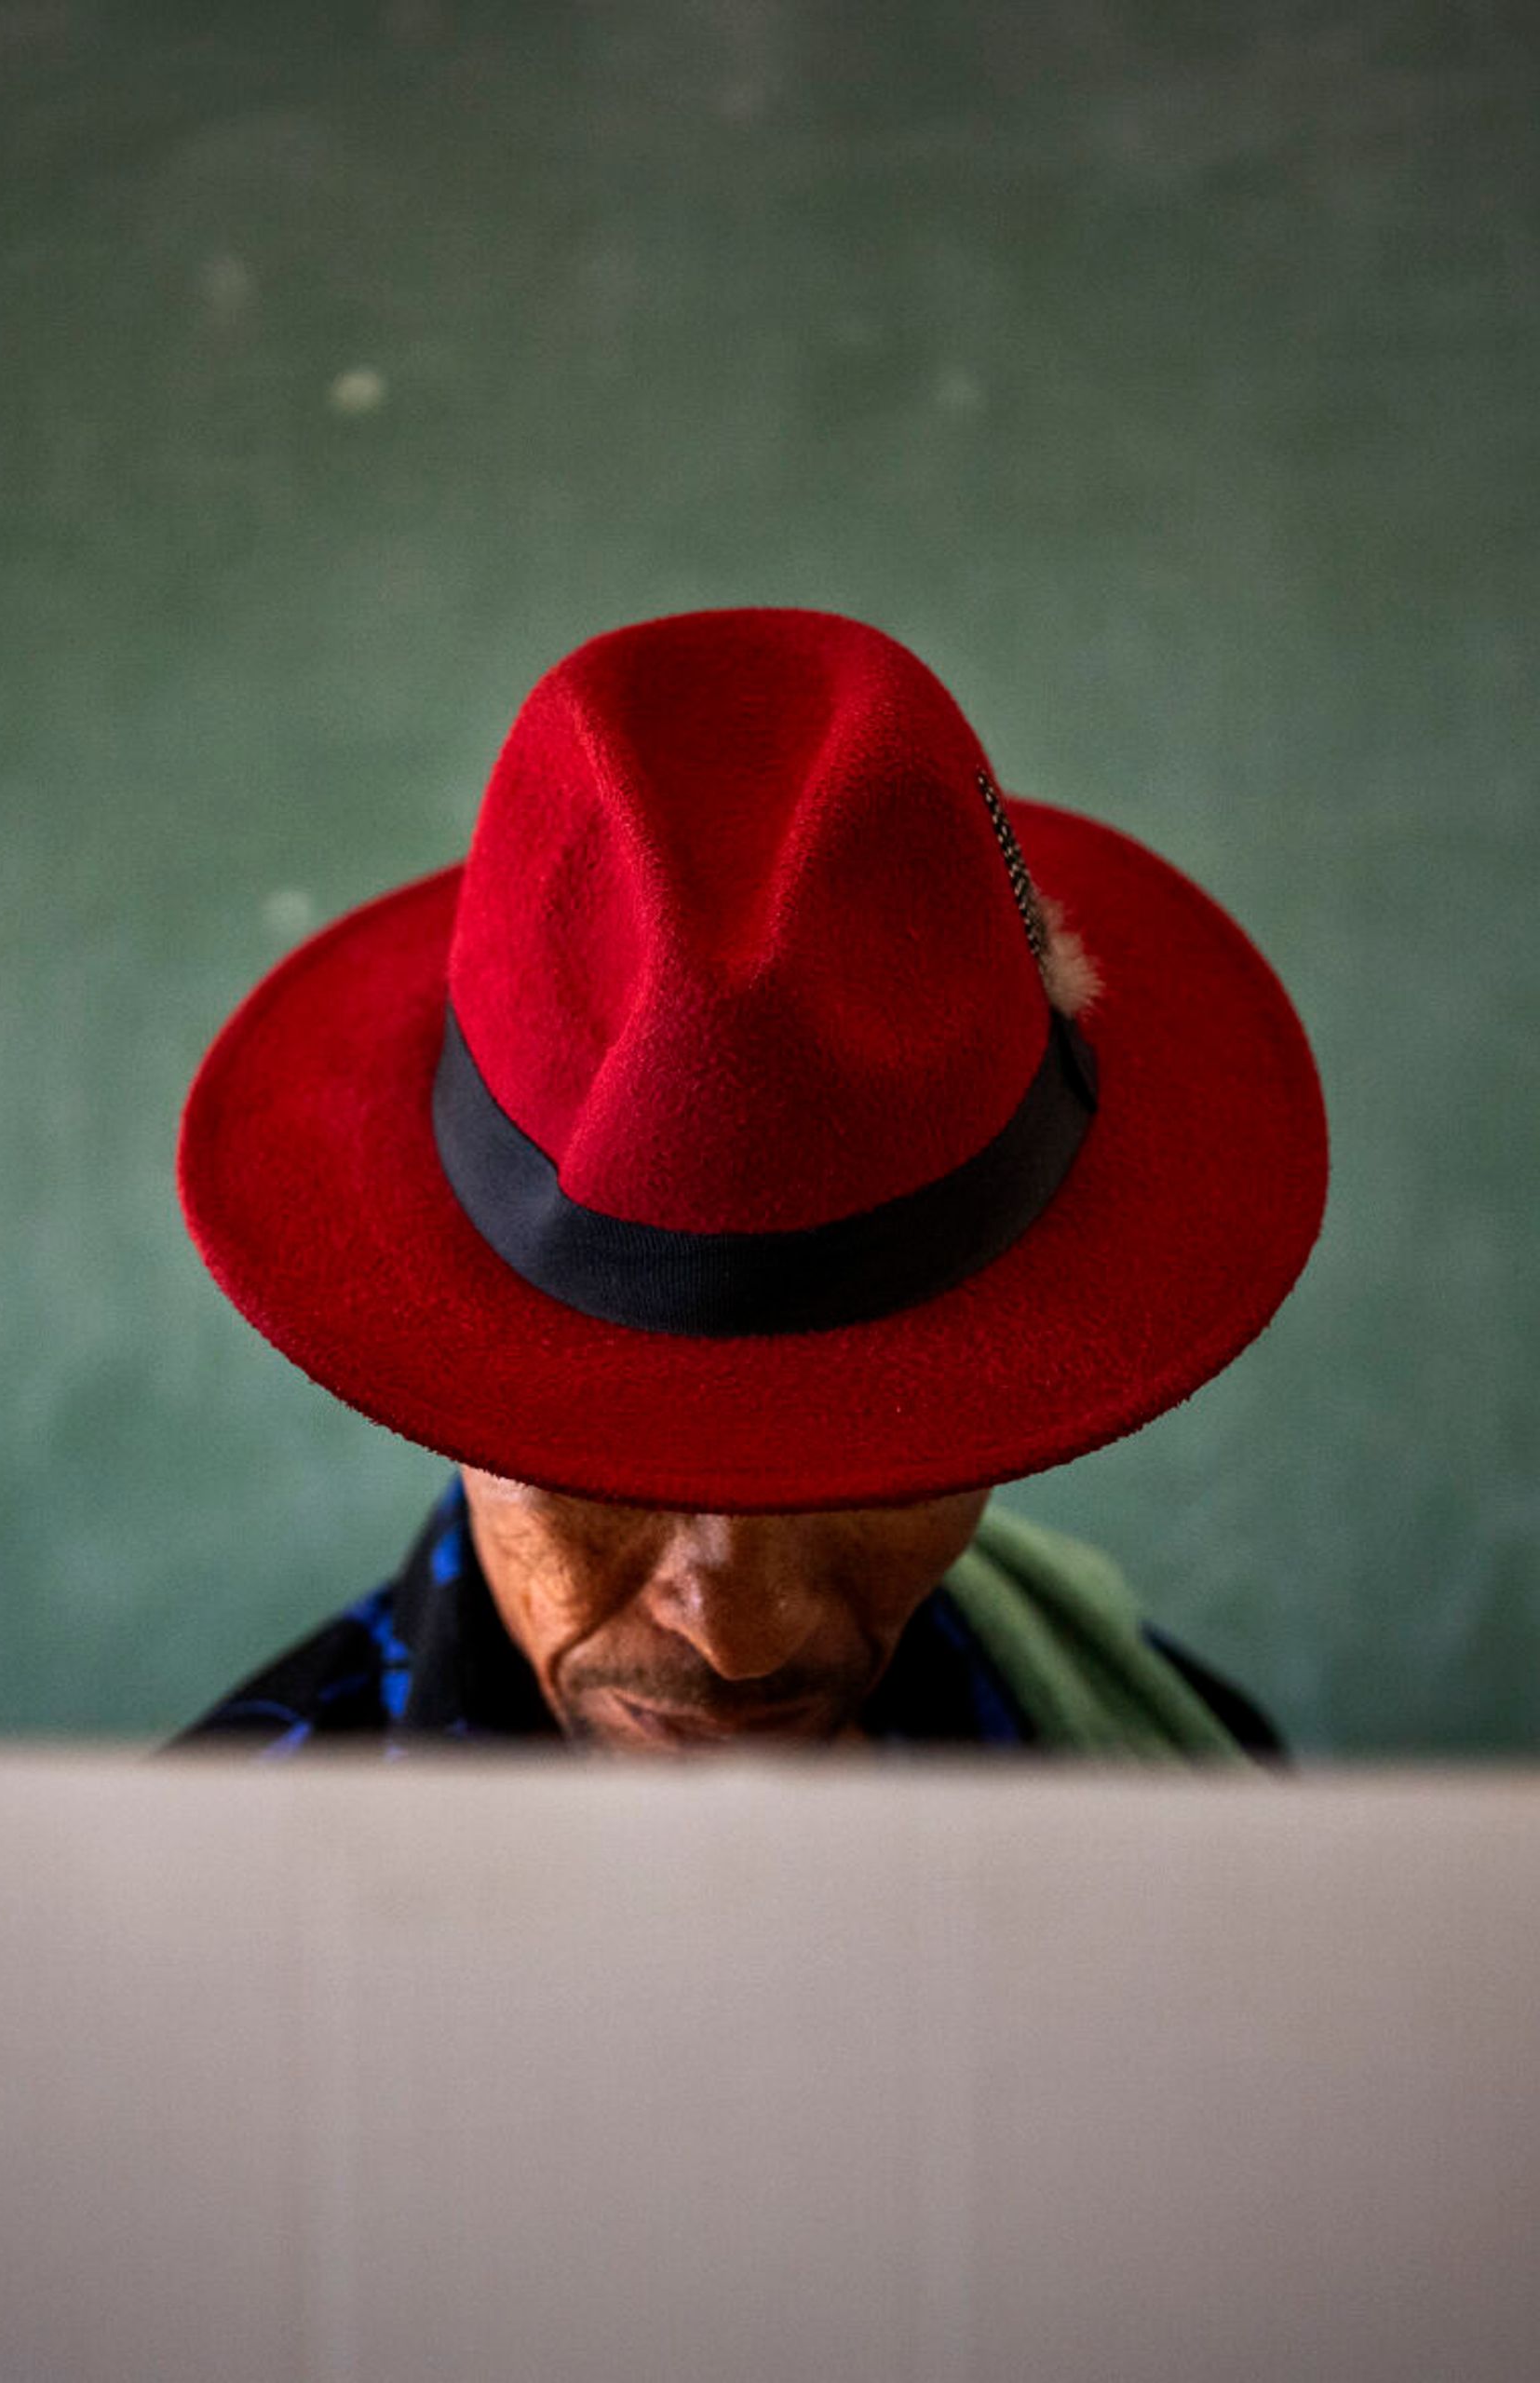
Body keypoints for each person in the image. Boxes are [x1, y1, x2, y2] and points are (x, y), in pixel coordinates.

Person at [171, 608, 1326, 1756]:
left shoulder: (1202, 1794)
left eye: (873, 1448)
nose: (740, 1636)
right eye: (603, 1462)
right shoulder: (205, 1915)